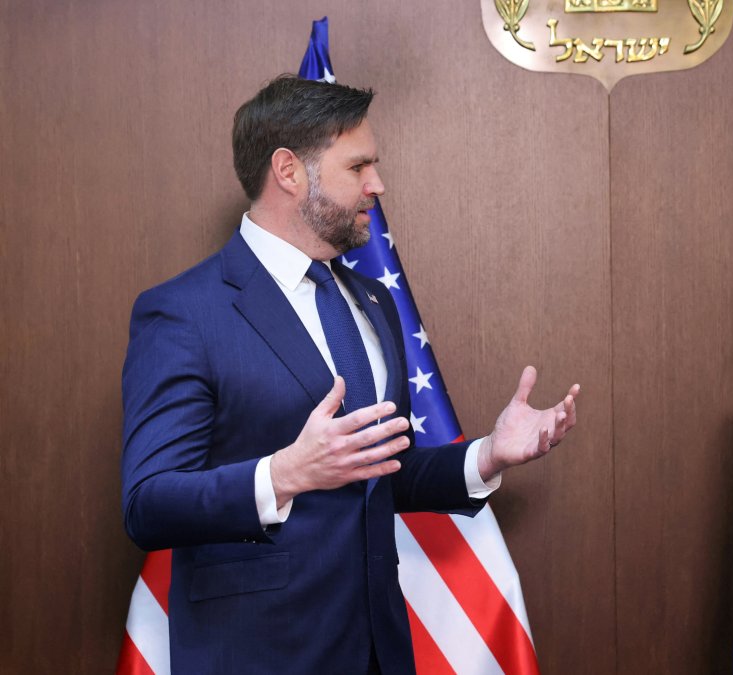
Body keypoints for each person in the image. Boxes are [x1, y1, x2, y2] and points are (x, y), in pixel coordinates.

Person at [120, 75, 580, 674]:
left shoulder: (370, 300)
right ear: (289, 171)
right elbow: (147, 503)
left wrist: (487, 456)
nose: (377, 185)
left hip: (379, 651)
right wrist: (284, 474)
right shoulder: (184, 312)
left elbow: (378, 467)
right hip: (258, 655)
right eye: (358, 167)